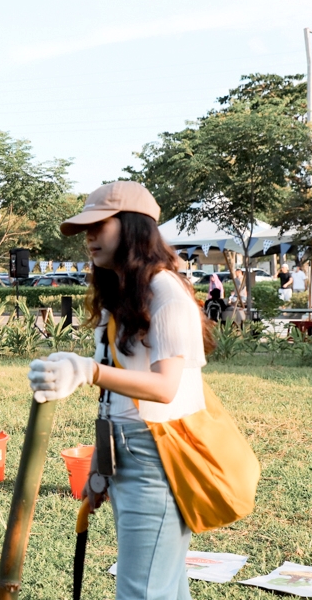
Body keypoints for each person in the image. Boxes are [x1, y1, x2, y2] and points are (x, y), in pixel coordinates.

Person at [29, 181, 211, 600]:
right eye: (84, 230)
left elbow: (166, 389)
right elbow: (117, 401)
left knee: (143, 591)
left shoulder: (166, 292)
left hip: (159, 457)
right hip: (127, 451)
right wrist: (100, 465)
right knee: (161, 588)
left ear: (132, 228)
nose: (89, 237)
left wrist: (89, 370)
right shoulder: (121, 294)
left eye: (99, 225)